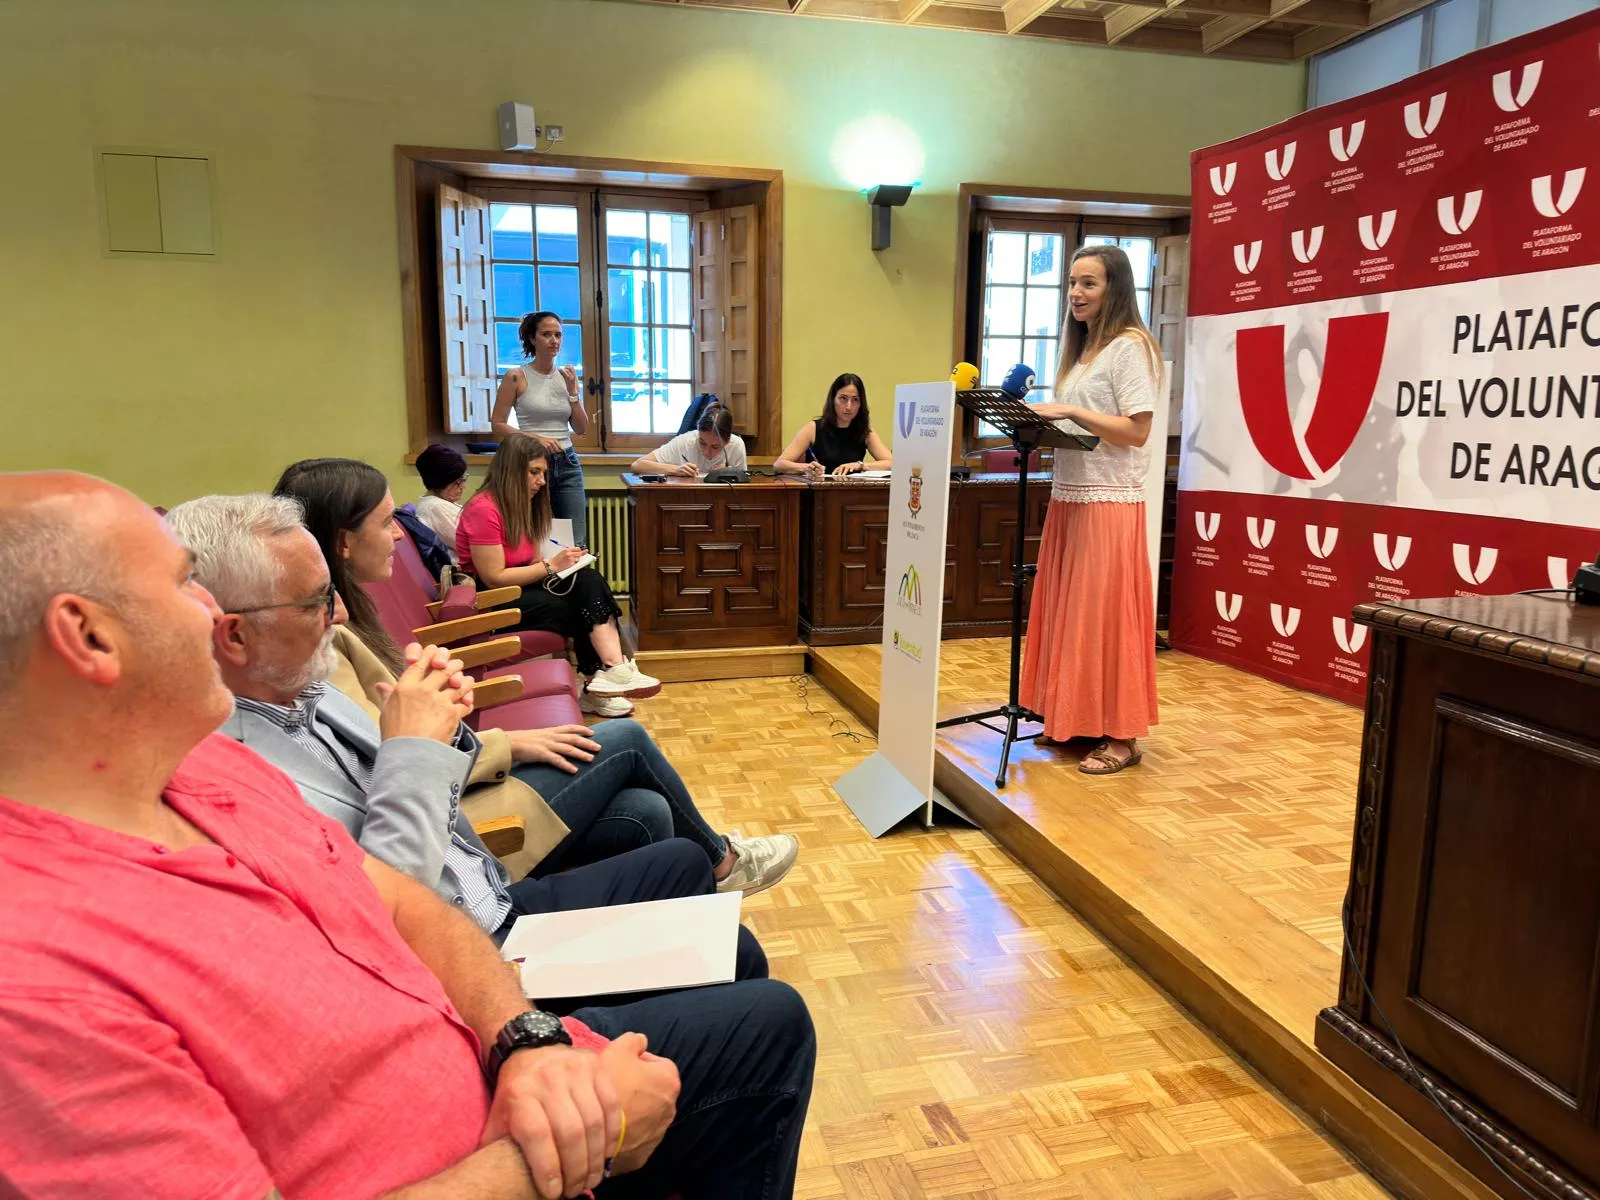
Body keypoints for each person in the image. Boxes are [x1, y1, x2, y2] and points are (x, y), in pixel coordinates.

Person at [0, 471, 816, 1200]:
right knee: (763, 1019)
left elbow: (396, 903)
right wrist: (555, 1150)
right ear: (90, 637)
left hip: (489, 1035)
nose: (211, 615)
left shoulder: (204, 773)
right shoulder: (36, 987)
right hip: (484, 1143)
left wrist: (527, 1043)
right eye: (184, 585)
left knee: (700, 909)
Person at [183, 488, 794, 886]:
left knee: (645, 813)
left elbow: (402, 748)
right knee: (628, 739)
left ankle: (705, 870)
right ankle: (722, 863)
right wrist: (472, 743)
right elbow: (397, 829)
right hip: (459, 843)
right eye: (385, 522)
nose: (402, 533)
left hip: (457, 814)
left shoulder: (307, 676)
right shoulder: (241, 758)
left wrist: (494, 743)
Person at [1021, 244, 1161, 774]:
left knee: (1106, 616)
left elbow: (1139, 429)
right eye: (1073, 283)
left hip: (1109, 500)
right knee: (1074, 615)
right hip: (1070, 496)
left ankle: (1123, 738)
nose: (1075, 294)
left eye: (1089, 284)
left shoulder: (1130, 347)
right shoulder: (1081, 351)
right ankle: (1078, 720)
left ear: (1114, 289)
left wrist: (1071, 409)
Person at [457, 437, 659, 714]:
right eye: (534, 472)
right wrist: (551, 566)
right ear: (511, 470)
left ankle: (613, 669)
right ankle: (597, 683)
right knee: (573, 605)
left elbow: (525, 560)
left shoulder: (520, 504)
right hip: (494, 599)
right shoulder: (483, 509)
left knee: (588, 580)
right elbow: (494, 577)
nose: (541, 481)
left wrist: (564, 561)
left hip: (518, 589)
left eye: (543, 473)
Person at [491, 311, 590, 545]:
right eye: (546, 334)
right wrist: (534, 437)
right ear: (533, 339)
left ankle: (574, 581)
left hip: (566, 462)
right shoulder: (516, 376)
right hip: (529, 463)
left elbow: (582, 428)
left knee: (576, 541)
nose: (554, 340)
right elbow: (498, 424)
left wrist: (574, 392)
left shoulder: (566, 376)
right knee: (532, 538)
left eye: (558, 335)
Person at [774, 373, 892, 478]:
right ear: (833, 399)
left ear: (861, 404)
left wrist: (860, 465)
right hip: (818, 495)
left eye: (855, 400)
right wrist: (805, 468)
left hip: (851, 495)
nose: (849, 406)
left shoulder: (864, 432)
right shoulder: (813, 428)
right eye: (843, 398)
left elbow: (892, 463)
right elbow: (779, 464)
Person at [630, 403, 747, 478]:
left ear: (727, 441)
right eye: (702, 443)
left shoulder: (736, 445)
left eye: (715, 447)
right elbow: (637, 465)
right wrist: (675, 470)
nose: (706, 452)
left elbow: (744, 481)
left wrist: (730, 473)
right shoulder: (685, 441)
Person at [414, 441, 468, 556]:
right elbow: (476, 544)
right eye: (458, 482)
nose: (463, 487)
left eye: (463, 479)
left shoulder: (438, 502)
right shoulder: (436, 507)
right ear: (439, 482)